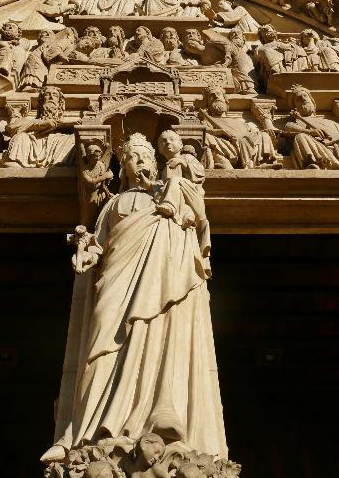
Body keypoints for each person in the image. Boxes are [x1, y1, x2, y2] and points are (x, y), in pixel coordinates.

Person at [42, 132, 227, 464]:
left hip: (163, 280)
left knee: (162, 339)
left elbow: (196, 219)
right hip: (117, 281)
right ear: (123, 164)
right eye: (133, 156)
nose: (140, 160)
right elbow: (99, 240)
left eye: (146, 155)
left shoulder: (172, 190)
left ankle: (161, 414)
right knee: (100, 347)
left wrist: (168, 194)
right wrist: (88, 253)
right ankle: (87, 430)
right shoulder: (114, 203)